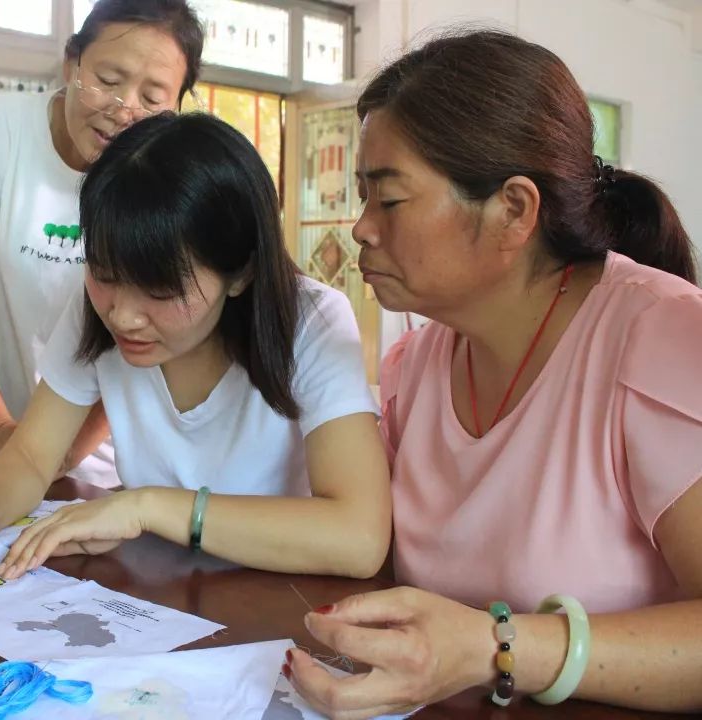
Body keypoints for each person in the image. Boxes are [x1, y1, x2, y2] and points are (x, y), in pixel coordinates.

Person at [284, 30, 702, 717]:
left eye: (388, 201)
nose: (359, 229)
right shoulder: (413, 368)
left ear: (512, 209)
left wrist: (497, 647)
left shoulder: (658, 339)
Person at [0, 112, 392, 583]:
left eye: (160, 291)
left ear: (241, 271)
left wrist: (146, 507)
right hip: (158, 595)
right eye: (105, 275)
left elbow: (359, 536)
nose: (122, 315)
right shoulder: (95, 315)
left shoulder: (311, 323)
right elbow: (32, 457)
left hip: (275, 605)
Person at [0, 0, 204, 487]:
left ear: (177, 106)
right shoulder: (6, 130)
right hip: (4, 441)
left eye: (153, 96)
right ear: (71, 63)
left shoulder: (174, 176)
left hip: (127, 468)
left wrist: (62, 454)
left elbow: (157, 333)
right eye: (109, 81)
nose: (123, 111)